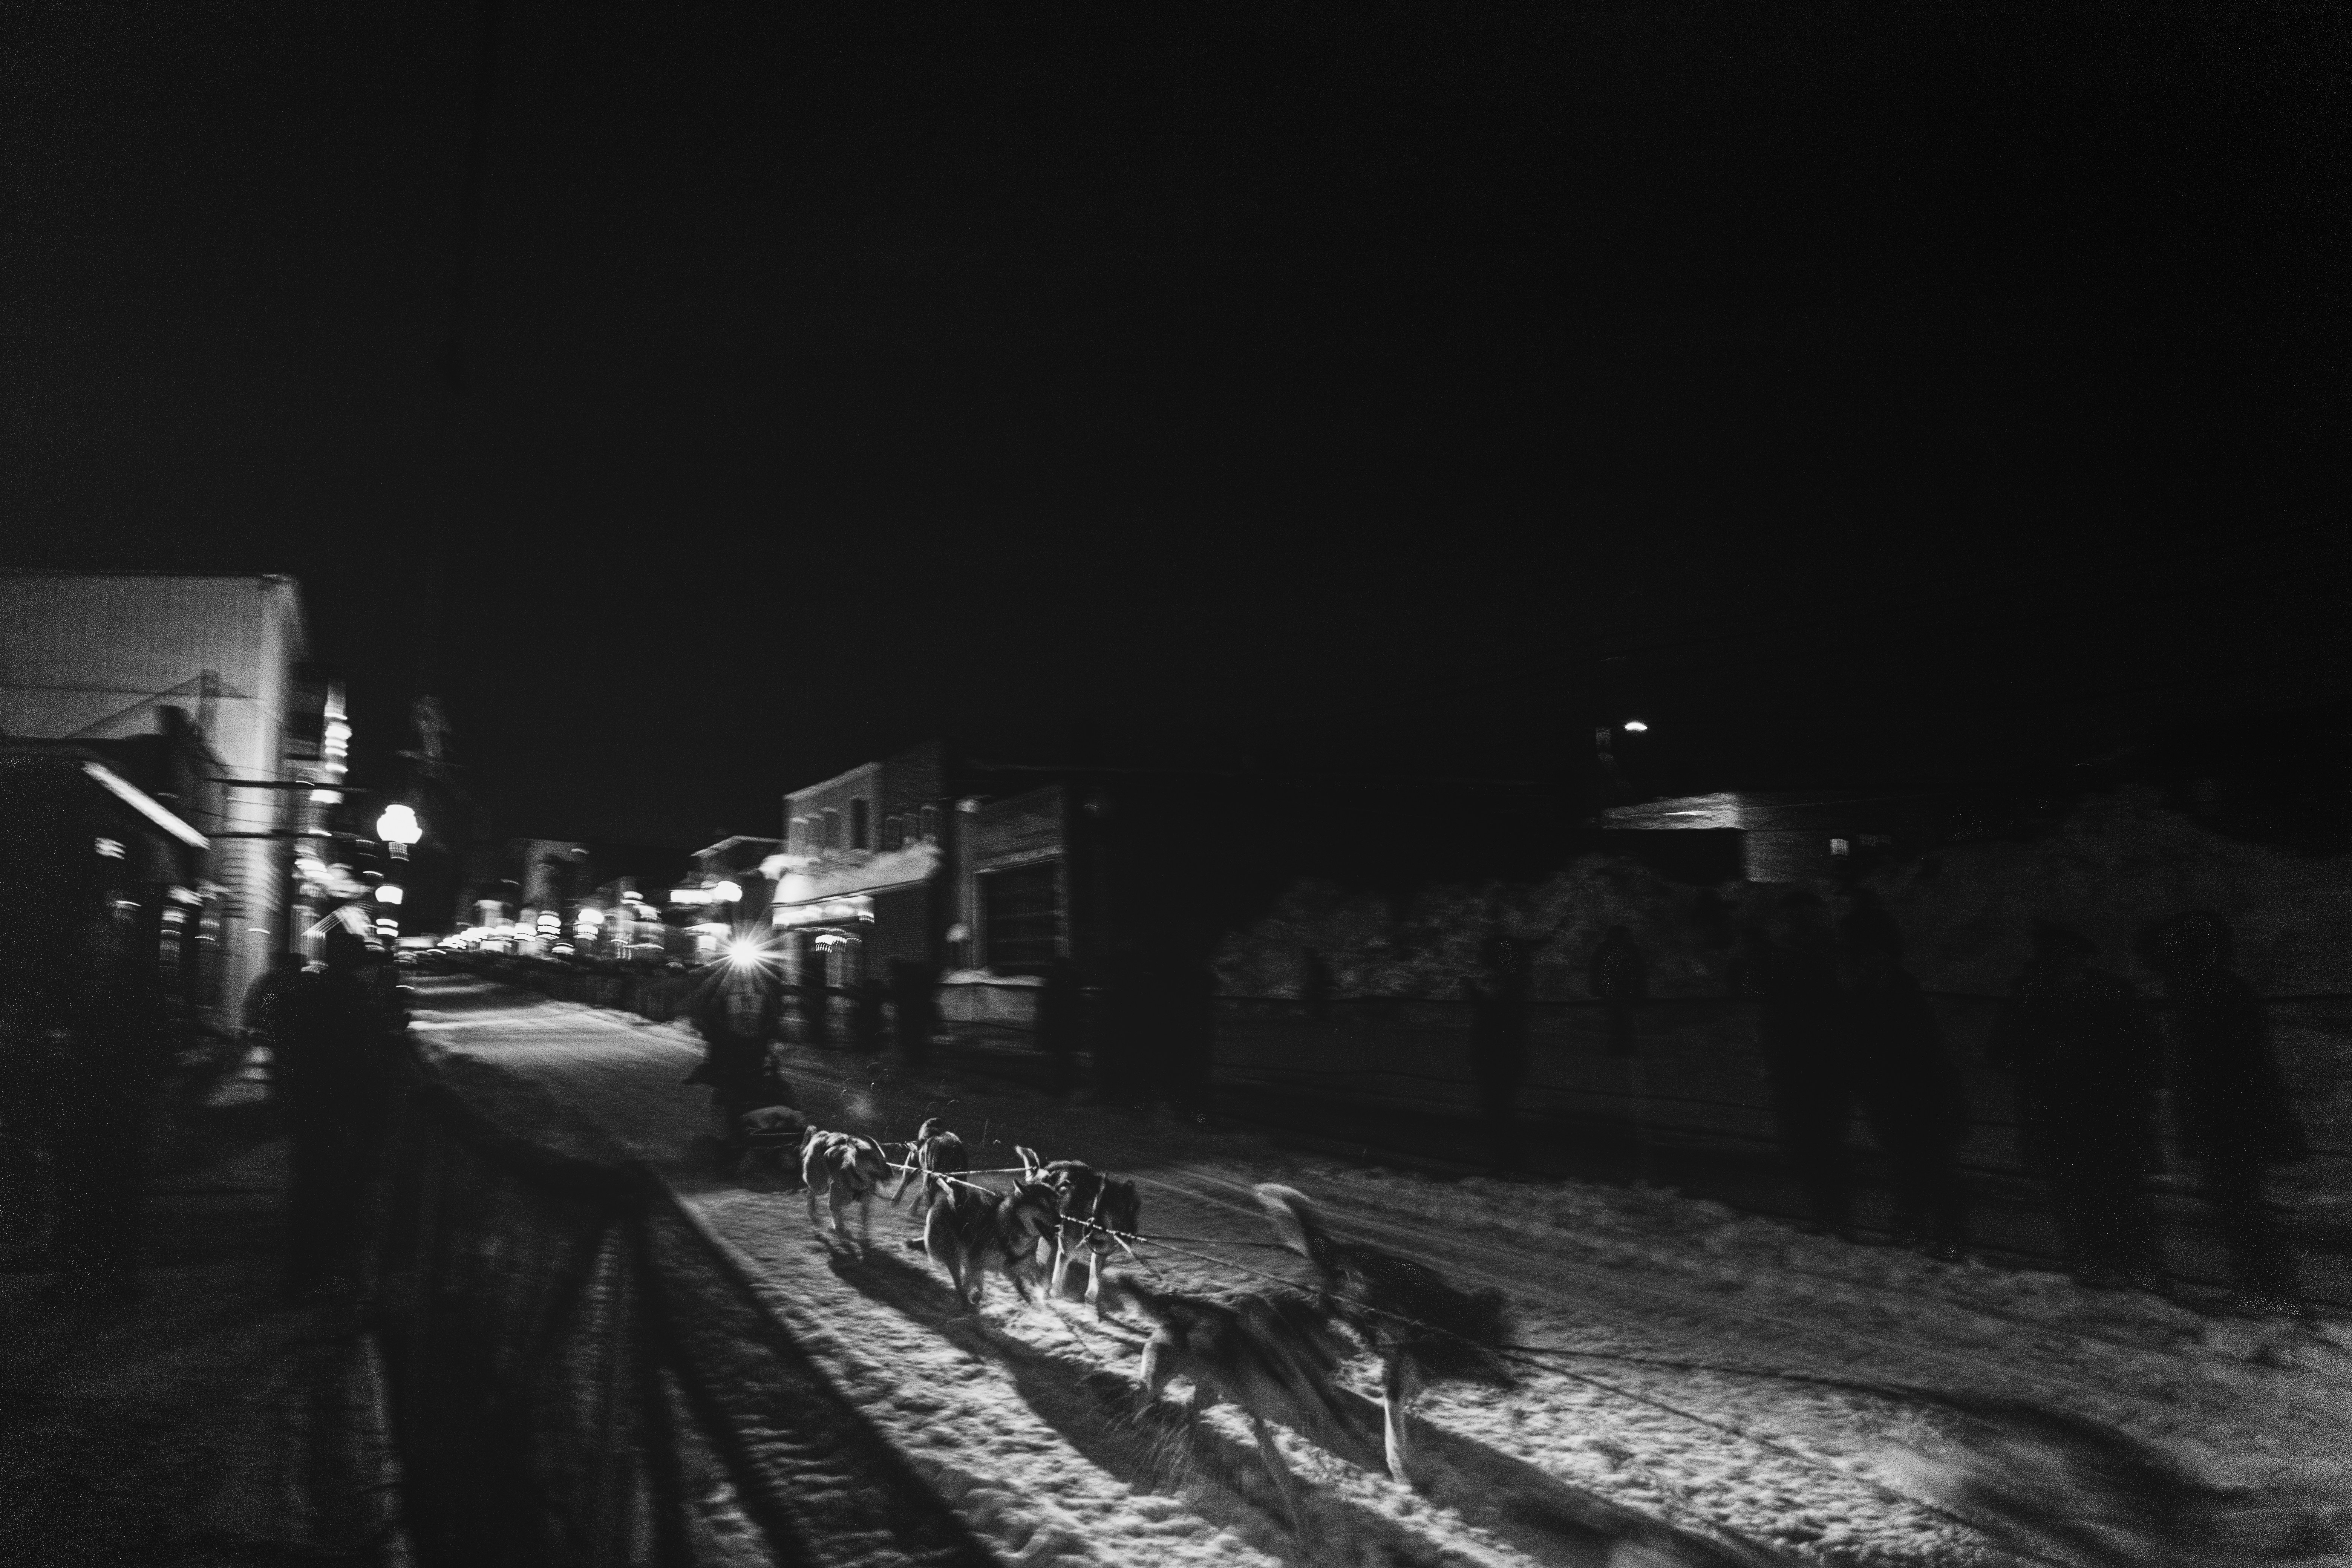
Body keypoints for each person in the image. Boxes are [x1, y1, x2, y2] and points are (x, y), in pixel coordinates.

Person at [1989, 923, 2165, 1291]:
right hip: (2064, 1115)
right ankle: (2100, 1260)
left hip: (2106, 1113)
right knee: (2080, 1193)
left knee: (2114, 1192)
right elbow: (2003, 1051)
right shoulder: (2034, 997)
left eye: (2068, 959)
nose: (2063, 967)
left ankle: (2132, 1263)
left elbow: (2146, 1054)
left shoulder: (2109, 996)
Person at [2148, 911, 2308, 1314]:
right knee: (2241, 1209)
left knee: (2240, 1209)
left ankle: (2267, 1290)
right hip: (2232, 1121)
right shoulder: (2219, 992)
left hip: (2227, 1123)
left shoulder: (2206, 996)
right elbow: (2255, 1067)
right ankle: (2268, 1289)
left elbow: (2227, 1070)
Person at [274, 928, 392, 1301]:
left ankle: (300, 1272)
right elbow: (366, 1060)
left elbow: (294, 1045)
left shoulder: (311, 993)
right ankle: (321, 1271)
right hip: (340, 1110)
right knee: (335, 1194)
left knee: (308, 1190)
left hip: (311, 1105)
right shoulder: (354, 999)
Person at [1844, 940, 1971, 1259]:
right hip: (1902, 1098)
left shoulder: (1881, 1003)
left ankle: (1933, 1232)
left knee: (1927, 1167)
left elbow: (1932, 1056)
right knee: (1918, 1166)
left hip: (1915, 1098)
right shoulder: (1884, 1002)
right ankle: (1928, 1230)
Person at [1747, 893, 1854, 1236]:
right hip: (1820, 1068)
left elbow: (1776, 1020)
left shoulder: (1791, 966)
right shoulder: (1822, 963)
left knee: (1810, 1145)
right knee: (1822, 1144)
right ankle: (1833, 1216)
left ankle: (1831, 1216)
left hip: (1802, 1069)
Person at [684, 945, 792, 1148]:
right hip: (728, 1053)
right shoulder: (720, 986)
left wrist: (772, 1036)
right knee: (731, 1096)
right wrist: (712, 1034)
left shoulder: (764, 987)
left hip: (756, 1053)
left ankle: (769, 1137)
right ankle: (730, 1141)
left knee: (768, 1093)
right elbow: (708, 1012)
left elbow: (772, 1014)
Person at [1466, 927, 1532, 1173]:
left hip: (1496, 1060)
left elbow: (1492, 1018)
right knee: (1501, 1111)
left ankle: (1508, 1162)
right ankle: (1508, 1161)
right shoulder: (1513, 986)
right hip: (1502, 1060)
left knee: (1498, 1112)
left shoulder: (1507, 988)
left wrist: (1477, 1000)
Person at [1587, 925, 1648, 1059]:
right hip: (1622, 989)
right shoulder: (1628, 949)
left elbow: (1596, 968)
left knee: (1617, 1018)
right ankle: (1624, 1046)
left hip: (1615, 989)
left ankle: (1619, 1046)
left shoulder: (1607, 949)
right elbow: (1639, 970)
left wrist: (1598, 989)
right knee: (1622, 1018)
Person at [1037, 954, 1081, 1098]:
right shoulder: (1069, 982)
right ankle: (1065, 1084)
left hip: (1058, 1027)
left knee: (1059, 1057)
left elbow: (1047, 1007)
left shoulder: (1054, 983)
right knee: (1064, 1057)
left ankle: (1060, 1086)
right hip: (1065, 1026)